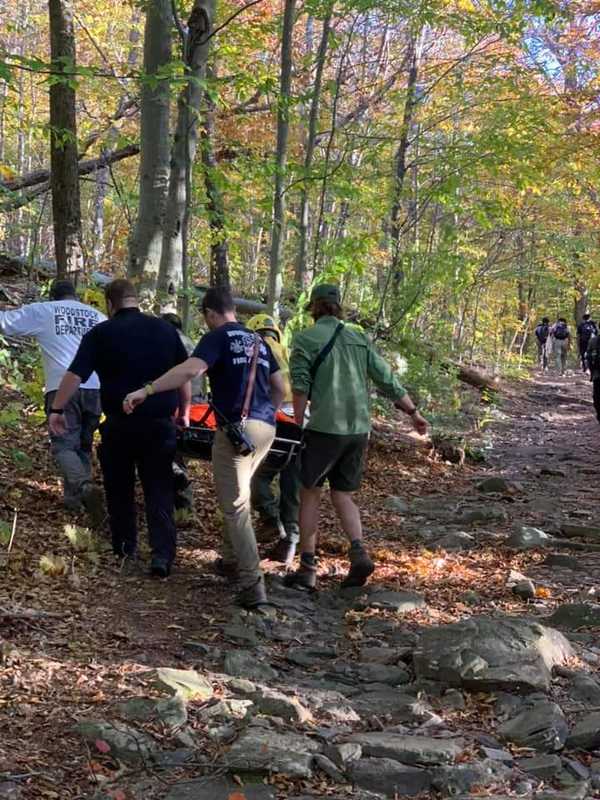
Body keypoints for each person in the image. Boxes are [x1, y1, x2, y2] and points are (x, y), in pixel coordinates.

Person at [122, 288, 285, 608]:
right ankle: (229, 559)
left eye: (205, 316)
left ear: (211, 313)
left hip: (236, 430)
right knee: (241, 495)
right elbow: (280, 387)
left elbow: (190, 370)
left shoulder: (219, 337)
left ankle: (252, 583)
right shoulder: (259, 341)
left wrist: (148, 389)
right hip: (266, 429)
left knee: (235, 506)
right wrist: (265, 415)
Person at [284, 284, 428, 592]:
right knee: (343, 494)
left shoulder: (306, 339)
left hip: (324, 429)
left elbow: (299, 385)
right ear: (338, 307)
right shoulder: (359, 338)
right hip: (358, 430)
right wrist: (413, 413)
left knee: (310, 493)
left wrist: (298, 423)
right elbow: (385, 378)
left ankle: (307, 568)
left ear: (314, 307)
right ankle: (358, 552)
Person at [48, 279, 191, 578]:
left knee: (119, 489)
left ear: (109, 304)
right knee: (159, 489)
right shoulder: (165, 330)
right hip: (158, 423)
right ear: (135, 300)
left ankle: (125, 547)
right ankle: (162, 555)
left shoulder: (101, 333)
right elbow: (184, 375)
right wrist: (184, 412)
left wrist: (57, 409)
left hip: (119, 424)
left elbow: (76, 374)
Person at [0, 279, 105, 519]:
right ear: (75, 295)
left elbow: (5, 323)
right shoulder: (97, 316)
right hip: (96, 388)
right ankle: (75, 501)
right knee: (83, 445)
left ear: (53, 295)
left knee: (63, 445)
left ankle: (84, 486)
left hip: (62, 387)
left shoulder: (45, 311)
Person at [246, 314, 300, 565]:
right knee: (292, 485)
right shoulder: (287, 351)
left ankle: (269, 517)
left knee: (256, 474)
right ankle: (289, 544)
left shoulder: (259, 348)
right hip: (300, 420)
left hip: (275, 417)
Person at [586, 333, 600, 424]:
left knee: (597, 397)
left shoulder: (593, 340)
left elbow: (588, 357)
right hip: (597, 373)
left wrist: (591, 372)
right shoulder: (594, 341)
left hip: (597, 374)